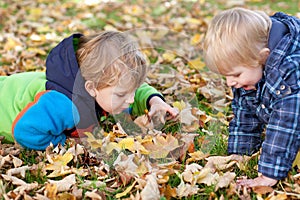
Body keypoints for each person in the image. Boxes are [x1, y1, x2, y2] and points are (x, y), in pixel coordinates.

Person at [0, 31, 178, 150]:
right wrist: (66, 143)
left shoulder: (104, 88)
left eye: (131, 92)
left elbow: (135, 90)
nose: (131, 100)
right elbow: (26, 131)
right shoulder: (64, 105)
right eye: (122, 95)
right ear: (91, 88)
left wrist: (154, 101)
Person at [203, 7, 300, 187]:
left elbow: (285, 123)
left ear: (263, 56)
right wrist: (240, 152)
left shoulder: (289, 71)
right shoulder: (249, 73)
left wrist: (268, 174)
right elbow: (245, 112)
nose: (230, 82)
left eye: (236, 75)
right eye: (226, 76)